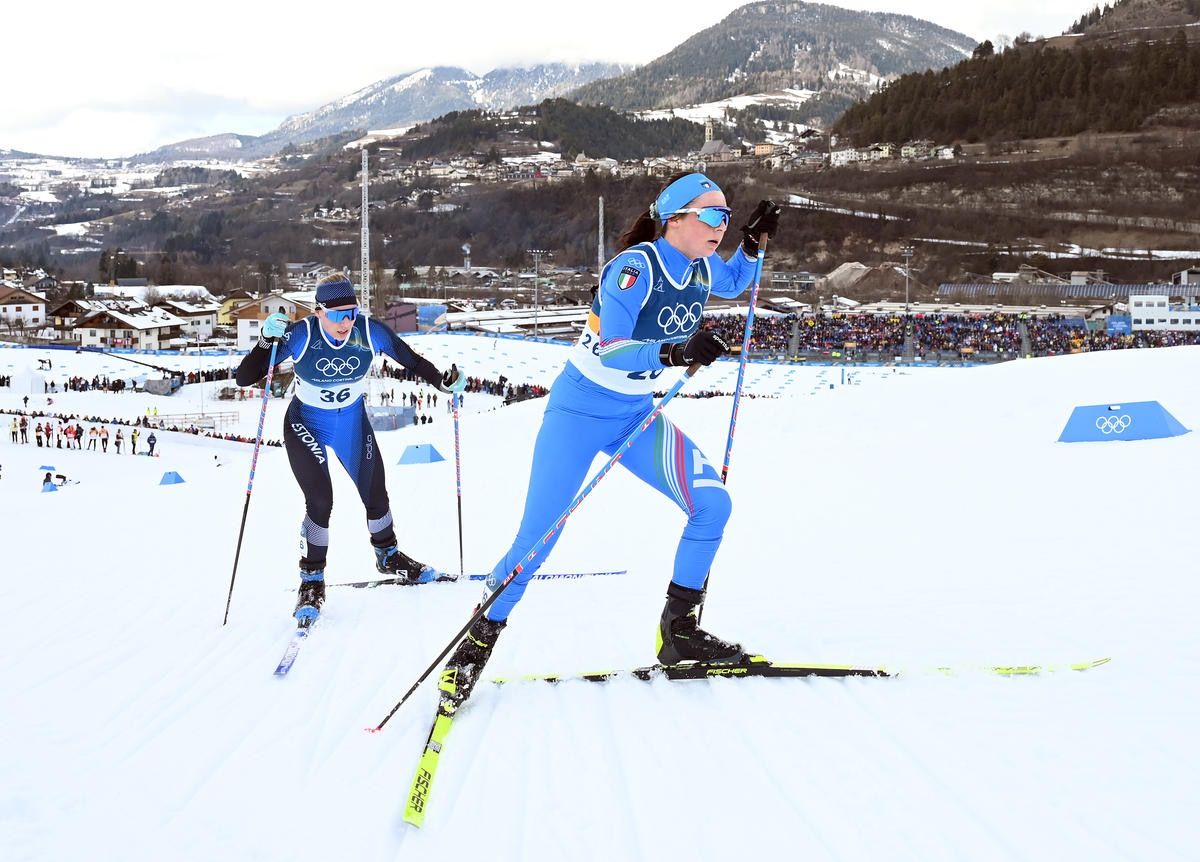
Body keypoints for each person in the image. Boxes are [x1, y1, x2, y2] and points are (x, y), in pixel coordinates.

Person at [439, 172, 781, 711]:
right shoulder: (633, 269)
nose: (722, 225)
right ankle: (477, 640)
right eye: (713, 216)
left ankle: (680, 633)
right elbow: (612, 347)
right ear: (675, 219)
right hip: (577, 413)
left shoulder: (698, 266)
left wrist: (753, 244)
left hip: (635, 416)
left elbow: (736, 281)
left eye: (727, 217)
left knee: (712, 505)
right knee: (537, 541)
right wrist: (674, 352)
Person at [235, 272, 469, 626]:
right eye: (338, 315)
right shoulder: (302, 335)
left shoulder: (369, 332)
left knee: (376, 492)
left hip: (352, 424)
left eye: (352, 313)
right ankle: (311, 580)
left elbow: (411, 359)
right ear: (318, 312)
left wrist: (443, 381)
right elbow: (245, 376)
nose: (346, 323)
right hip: (306, 424)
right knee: (320, 501)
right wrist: (266, 341)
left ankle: (388, 555)